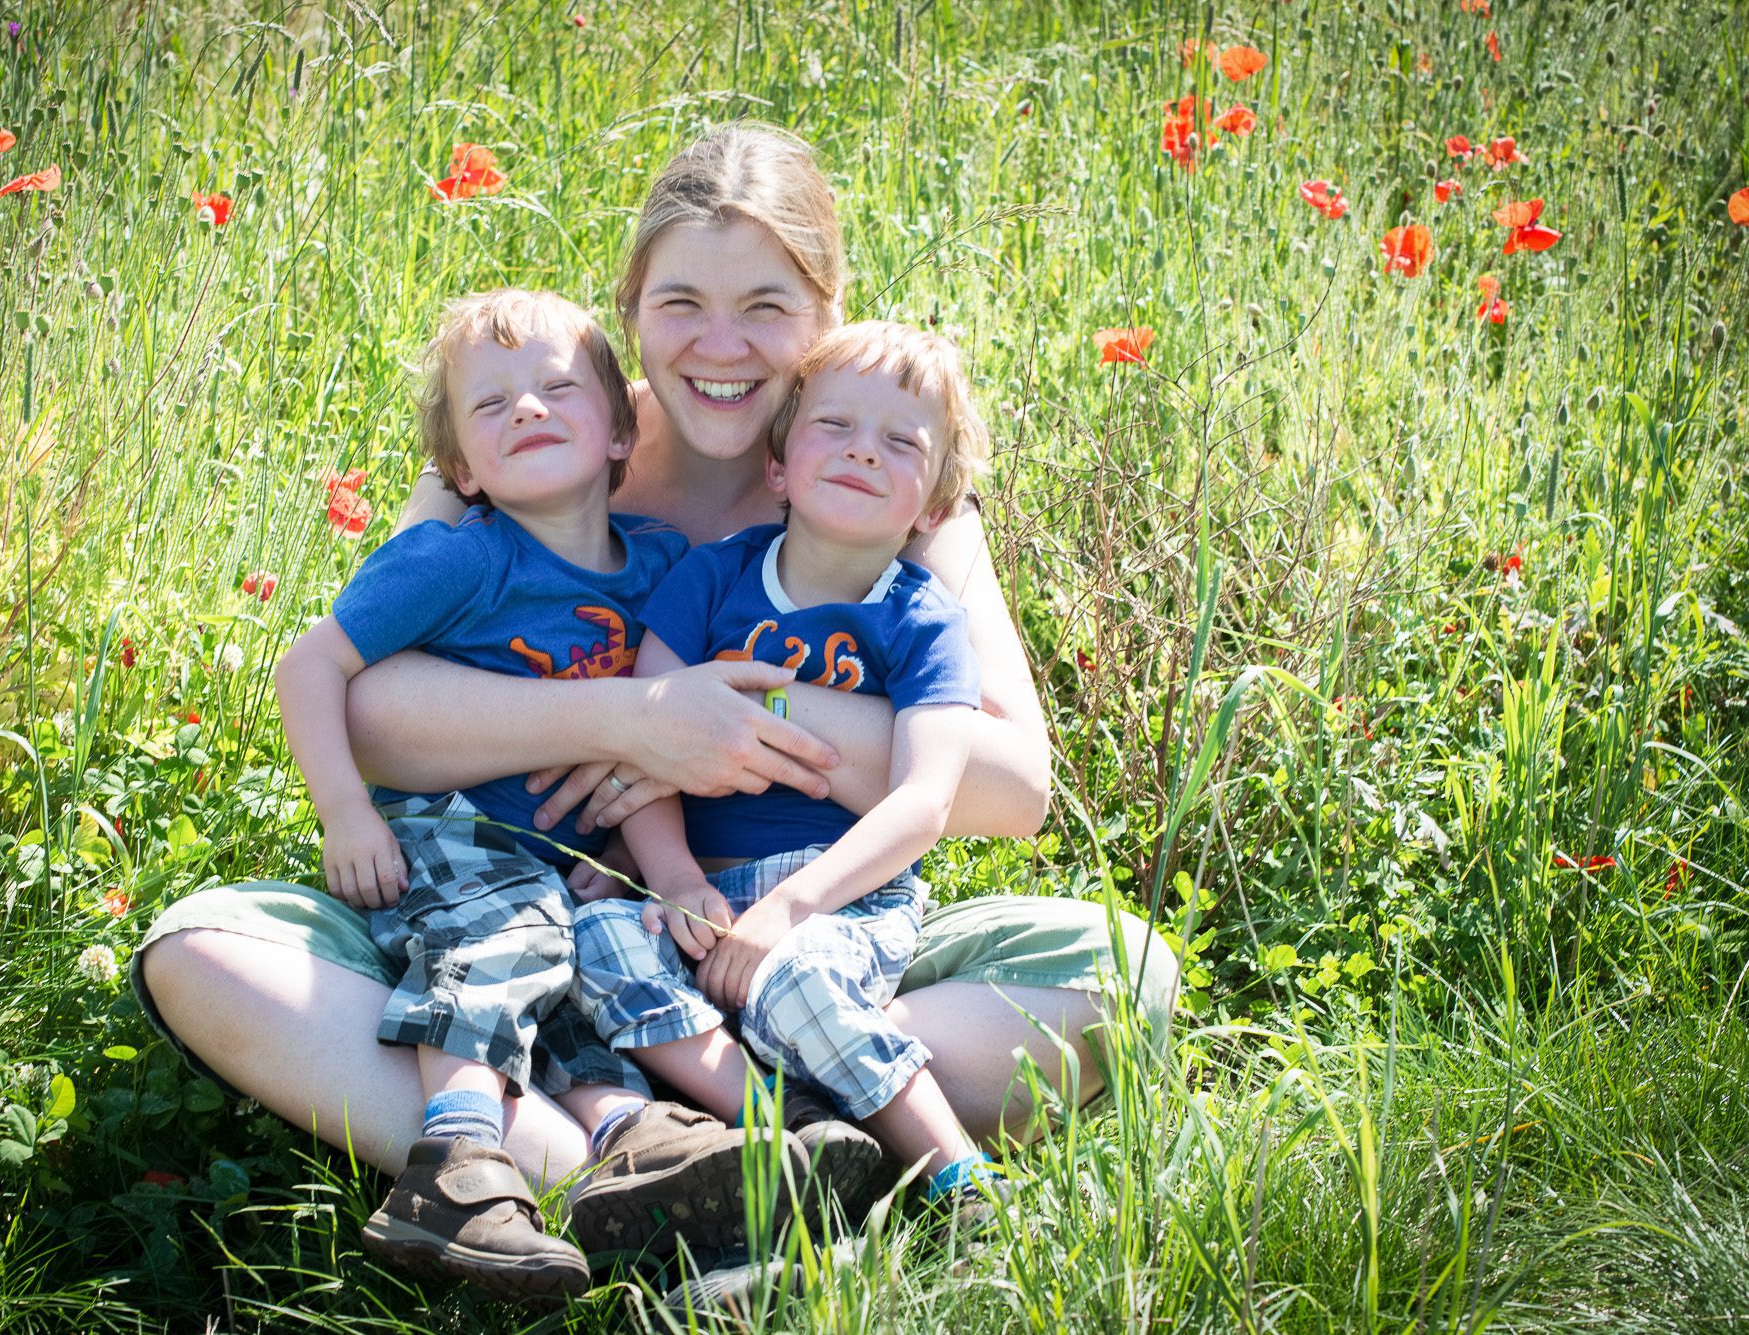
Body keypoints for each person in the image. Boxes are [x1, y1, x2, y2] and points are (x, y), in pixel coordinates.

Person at [131, 122, 1176, 1227]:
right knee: (199, 952)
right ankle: (677, 1154)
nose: (718, 347)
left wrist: (738, 713)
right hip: (511, 917)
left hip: (798, 933)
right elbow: (372, 708)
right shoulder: (543, 440)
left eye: (766, 307)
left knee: (1127, 973)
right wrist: (634, 718)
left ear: (827, 315)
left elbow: (1011, 786)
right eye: (680, 303)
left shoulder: (879, 476)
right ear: (627, 309)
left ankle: (665, 1146)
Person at [268, 288, 793, 1297]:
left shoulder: (664, 571)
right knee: (505, 938)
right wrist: (342, 811)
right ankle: (452, 1167)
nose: (527, 409)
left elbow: (656, 738)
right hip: (450, 834)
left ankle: (637, 1140)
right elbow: (311, 665)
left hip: (570, 860)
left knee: (595, 974)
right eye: (490, 404)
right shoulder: (456, 558)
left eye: (557, 388)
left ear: (620, 433)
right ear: (460, 467)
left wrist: (659, 866)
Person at [572, 321, 1001, 1221]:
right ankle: (779, 1133)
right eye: (835, 425)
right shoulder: (711, 580)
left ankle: (959, 1177)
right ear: (778, 464)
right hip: (702, 888)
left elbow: (924, 802)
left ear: (934, 504)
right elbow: (642, 749)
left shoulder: (923, 621)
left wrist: (789, 909)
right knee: (594, 940)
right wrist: (677, 877)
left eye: (901, 442)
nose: (862, 452)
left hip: (840, 896)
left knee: (798, 976)